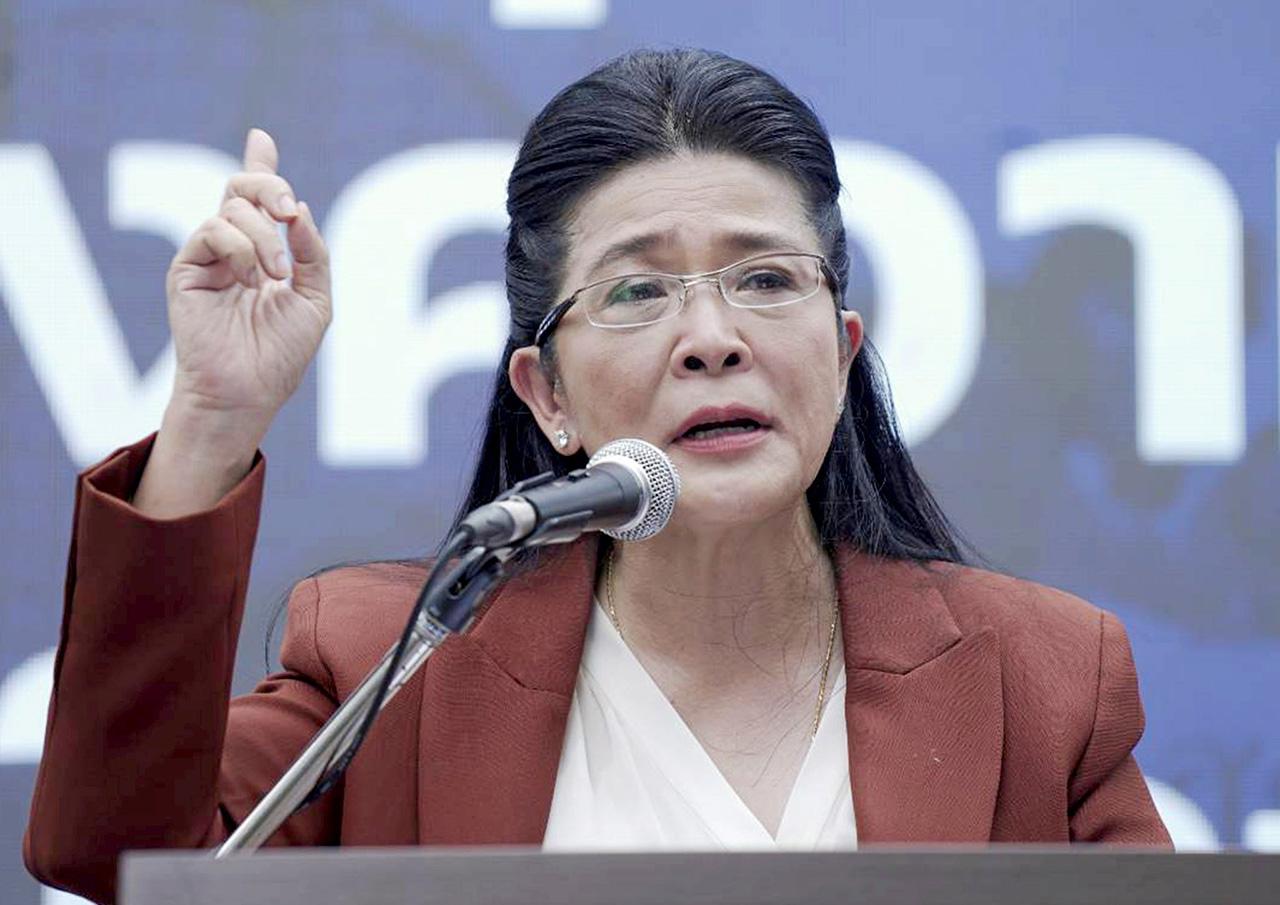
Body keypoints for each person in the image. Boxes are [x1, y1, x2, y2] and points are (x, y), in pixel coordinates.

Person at [24, 47, 1171, 905]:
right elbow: (116, 854)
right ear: (547, 397)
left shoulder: (1040, 679)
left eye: (765, 279)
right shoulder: (395, 663)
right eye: (635, 290)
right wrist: (213, 419)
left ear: (841, 350)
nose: (710, 337)